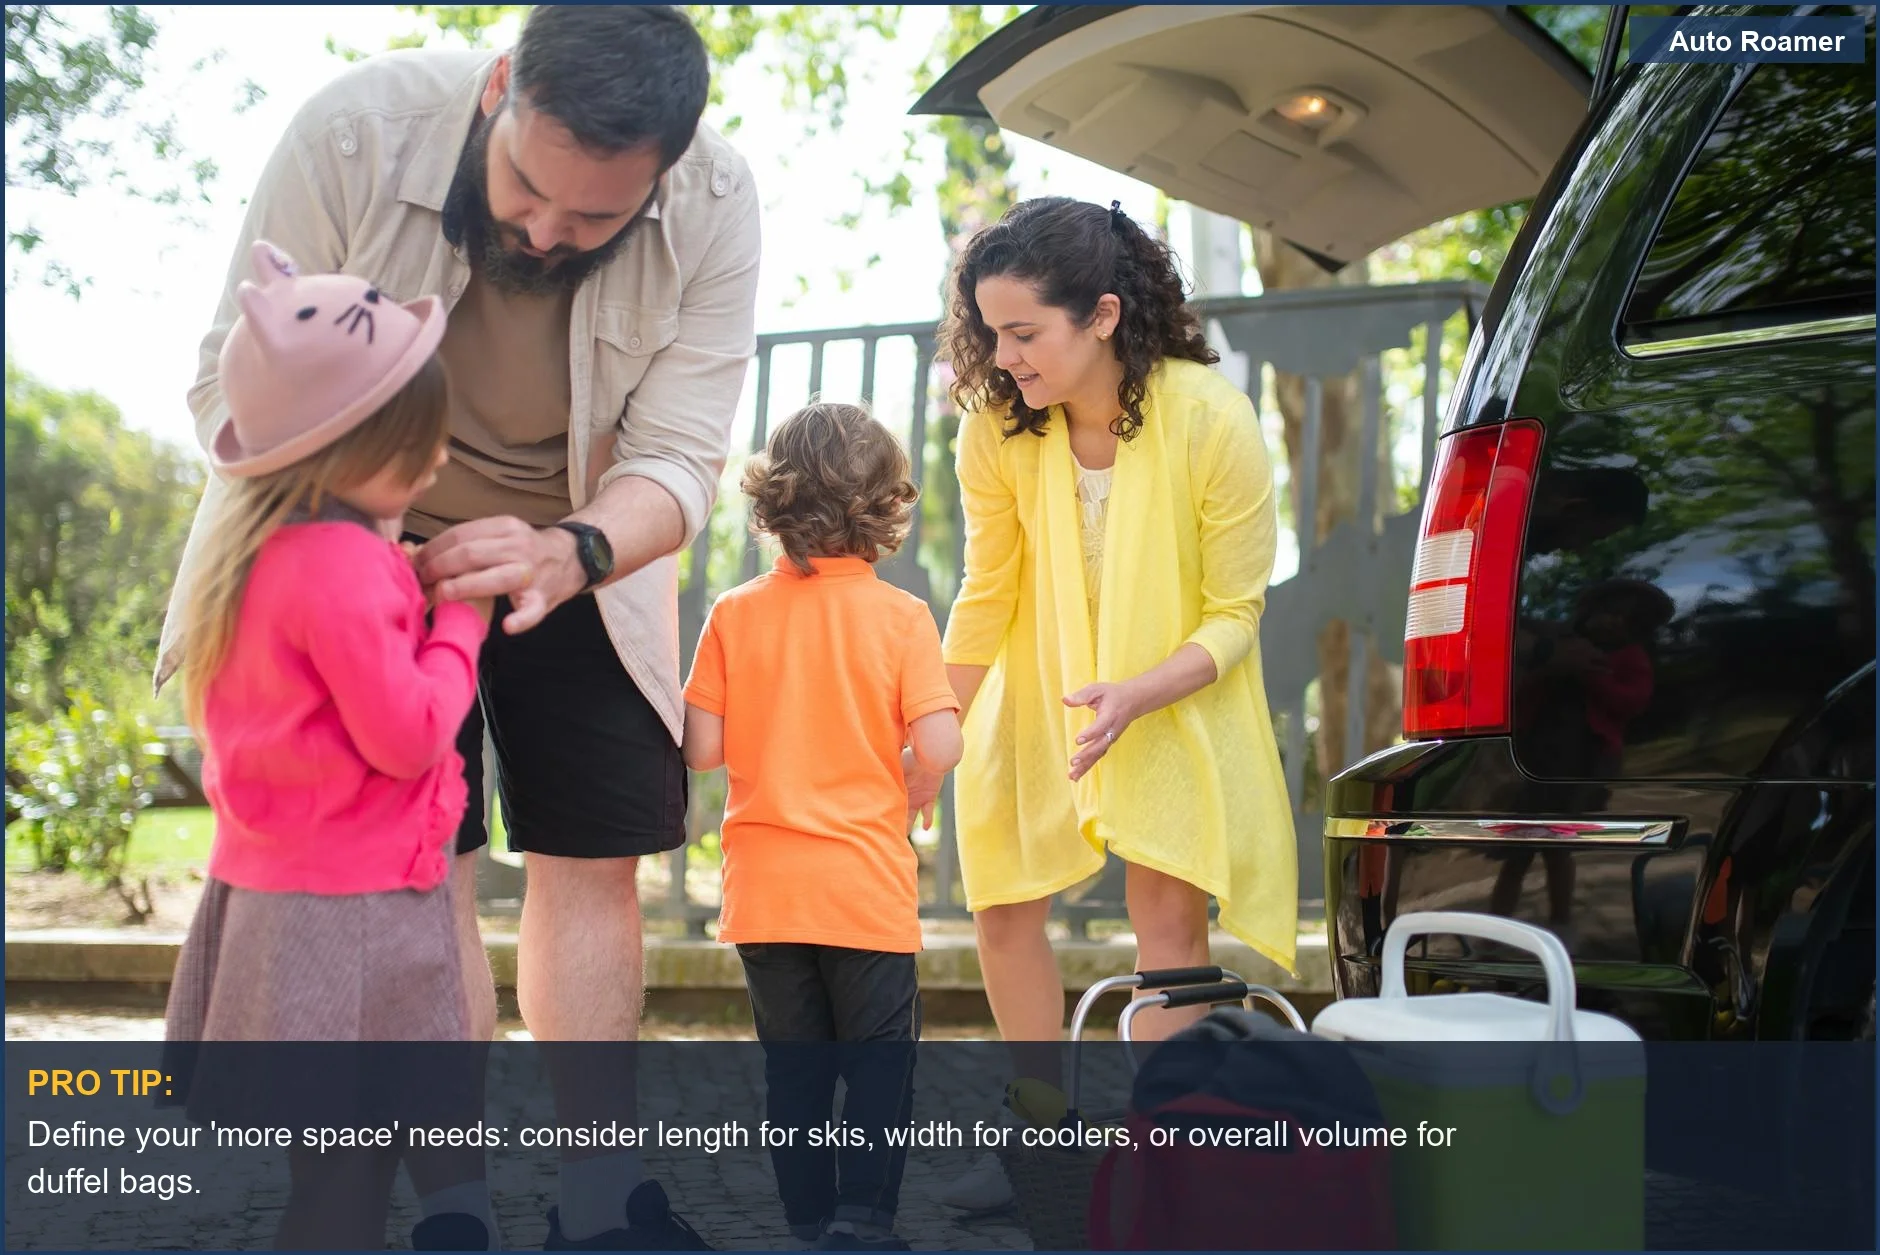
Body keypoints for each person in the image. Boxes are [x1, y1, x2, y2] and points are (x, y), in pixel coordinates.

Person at [155, 6, 758, 1248]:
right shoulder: (353, 133)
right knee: (415, 867)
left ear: (661, 176)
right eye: (527, 187)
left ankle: (595, 1195)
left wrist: (570, 550)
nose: (545, 232)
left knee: (595, 858)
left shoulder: (717, 205)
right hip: (350, 525)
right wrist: (362, 541)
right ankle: (454, 1203)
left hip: (580, 538)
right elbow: (233, 369)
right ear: (496, 90)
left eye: (593, 220)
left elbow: (683, 455)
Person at [914, 197, 1297, 1211]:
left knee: (1162, 912)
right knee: (1000, 902)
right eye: (989, 333)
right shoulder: (996, 426)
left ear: (1101, 315)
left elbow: (1233, 616)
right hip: (1040, 684)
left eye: (1023, 333)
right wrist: (935, 724)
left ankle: (1167, 1154)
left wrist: (1137, 692)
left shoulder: (1210, 418)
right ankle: (1040, 1146)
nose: (1001, 356)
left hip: (1168, 691)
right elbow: (987, 587)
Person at [162, 241, 490, 1249]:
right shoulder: (344, 566)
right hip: (353, 916)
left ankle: (457, 1211)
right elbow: (408, 734)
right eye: (418, 442)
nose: (436, 460)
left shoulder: (255, 557)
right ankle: (456, 1213)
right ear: (350, 448)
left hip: (277, 901)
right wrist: (461, 623)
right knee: (350, 1172)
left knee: (341, 1155)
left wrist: (416, 590)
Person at [682, 403, 963, 1252]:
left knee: (794, 1068)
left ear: (773, 502)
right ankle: (862, 1218)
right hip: (864, 889)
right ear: (884, 508)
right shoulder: (903, 617)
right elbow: (942, 741)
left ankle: (806, 1219)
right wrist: (913, 769)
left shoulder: (735, 613)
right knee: (879, 1062)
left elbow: (701, 750)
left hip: (766, 891)